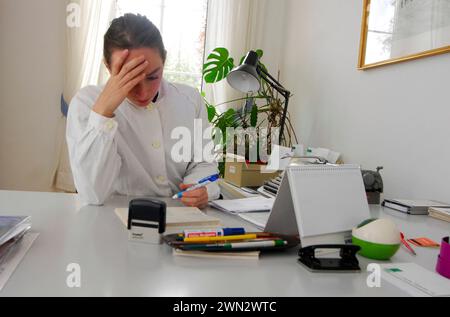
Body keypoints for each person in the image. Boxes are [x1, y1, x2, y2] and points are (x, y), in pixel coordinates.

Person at [66, 13, 219, 208]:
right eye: (130, 79)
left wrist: (201, 188)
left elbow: (204, 163)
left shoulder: (190, 100)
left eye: (153, 77)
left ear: (164, 61)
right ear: (107, 66)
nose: (143, 92)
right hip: (112, 220)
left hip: (179, 216)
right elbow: (92, 194)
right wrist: (103, 113)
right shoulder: (86, 103)